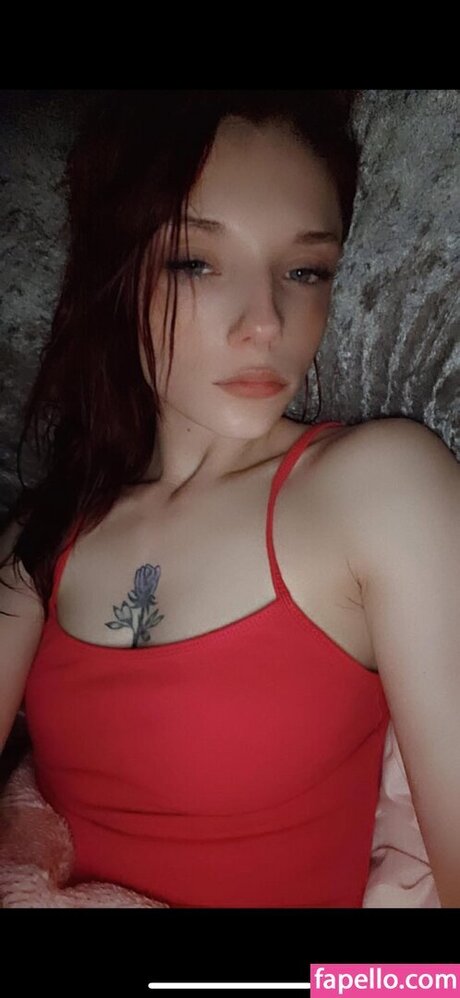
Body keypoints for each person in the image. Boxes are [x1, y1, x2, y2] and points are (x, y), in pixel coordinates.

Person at [0, 90, 458, 908]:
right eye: (196, 262)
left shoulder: (382, 488)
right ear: (118, 270)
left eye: (305, 271)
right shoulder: (40, 539)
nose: (266, 322)